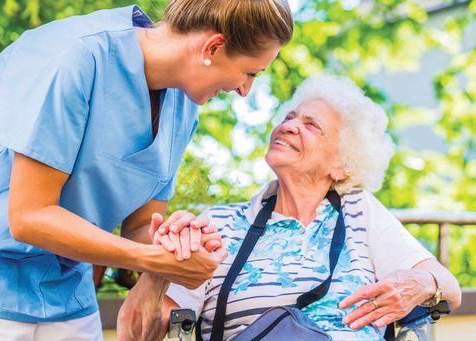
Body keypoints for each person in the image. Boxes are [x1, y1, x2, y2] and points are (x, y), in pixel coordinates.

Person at [0, 1, 294, 339]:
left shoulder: (182, 106)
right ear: (213, 46)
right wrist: (151, 259)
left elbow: (138, 226)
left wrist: (179, 244)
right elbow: (29, 216)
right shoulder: (72, 55)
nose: (245, 90)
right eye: (251, 72)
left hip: (68, 297)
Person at [124, 74, 462, 340]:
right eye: (289, 116)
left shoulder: (360, 212)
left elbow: (448, 286)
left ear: (342, 165)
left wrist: (419, 283)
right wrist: (157, 272)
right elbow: (139, 335)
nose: (288, 125)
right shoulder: (218, 224)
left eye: (311, 125)